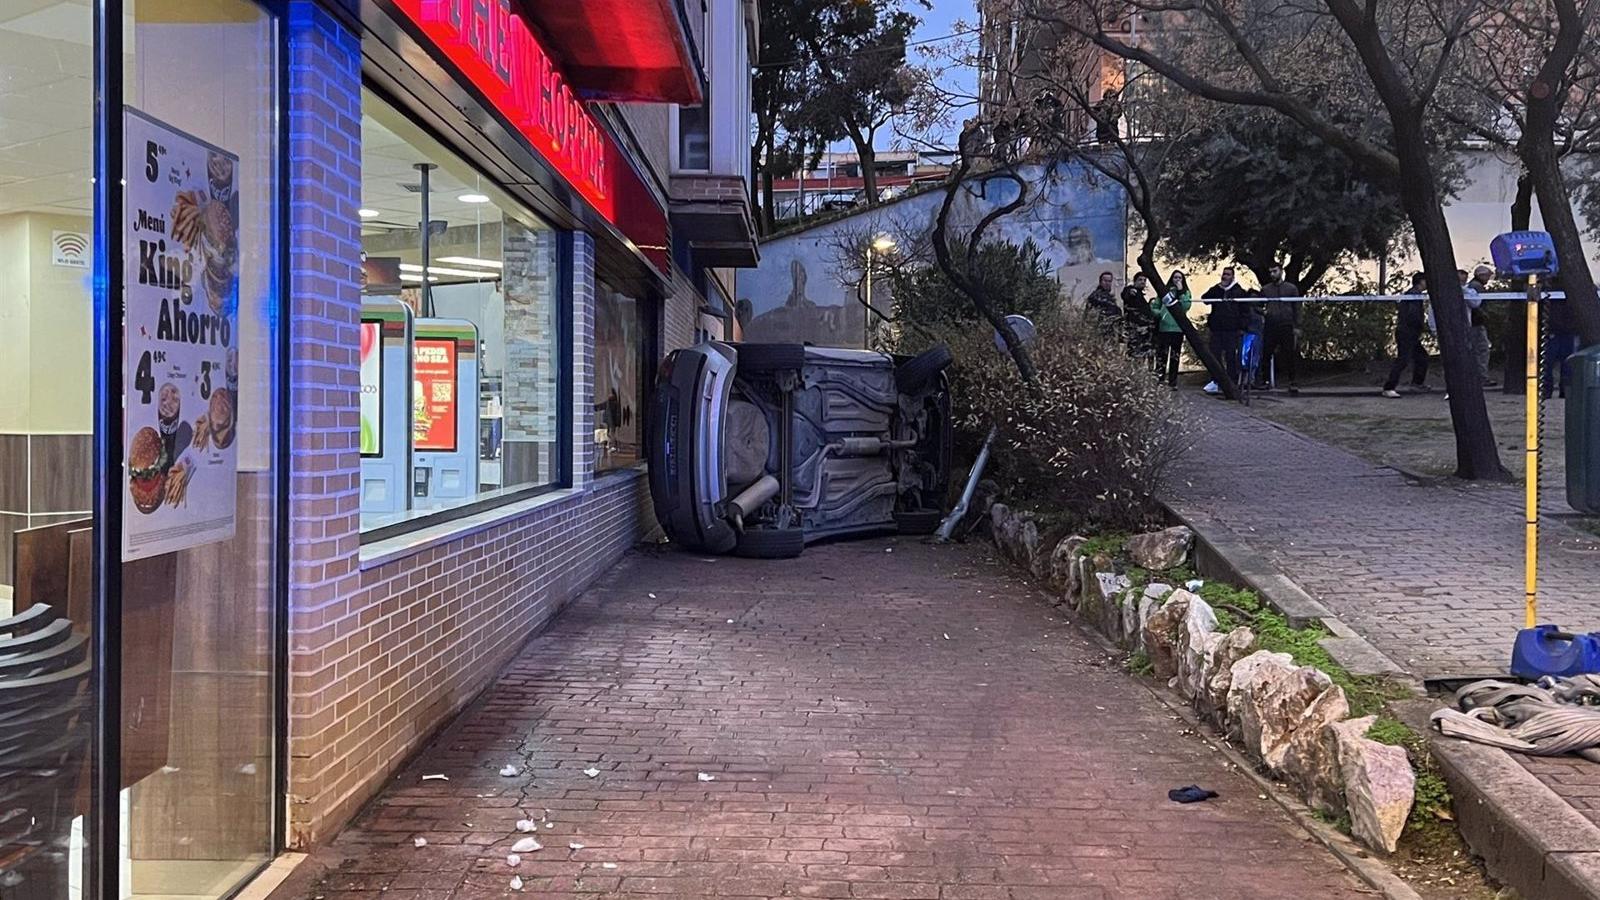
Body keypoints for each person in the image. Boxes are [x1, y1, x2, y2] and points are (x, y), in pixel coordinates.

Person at [1201, 266, 1250, 394]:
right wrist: (1218, 289)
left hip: (1232, 330)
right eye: (1224, 274)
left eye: (1228, 274)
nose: (1225, 276)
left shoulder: (1239, 292)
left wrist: (1242, 327)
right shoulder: (1217, 289)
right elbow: (1205, 298)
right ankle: (1216, 380)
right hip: (1217, 329)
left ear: (1233, 276)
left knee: (1230, 356)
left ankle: (1231, 382)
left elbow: (1245, 312)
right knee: (1214, 355)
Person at [1382, 273, 1431, 398]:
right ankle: (1389, 387)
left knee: (1422, 357)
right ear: (1421, 281)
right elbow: (1412, 315)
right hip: (1407, 332)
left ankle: (1417, 383)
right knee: (1403, 360)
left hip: (1411, 332)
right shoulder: (1413, 295)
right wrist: (1420, 325)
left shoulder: (1415, 294)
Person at [1258, 264, 1301, 394]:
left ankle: (1292, 382)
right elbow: (1257, 304)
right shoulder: (1266, 289)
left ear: (1281, 272)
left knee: (1289, 354)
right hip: (1271, 325)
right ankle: (1265, 381)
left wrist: (1297, 326)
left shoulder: (1291, 288)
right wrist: (1264, 312)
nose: (1272, 274)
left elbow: (1297, 308)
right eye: (1270, 272)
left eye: (1275, 271)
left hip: (1286, 325)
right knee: (1266, 353)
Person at [1150, 271, 1192, 387]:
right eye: (1175, 277)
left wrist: (1181, 291)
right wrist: (1160, 314)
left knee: (1175, 357)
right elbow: (1155, 306)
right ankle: (1159, 379)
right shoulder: (1164, 292)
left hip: (1177, 329)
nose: (1177, 279)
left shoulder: (1186, 292)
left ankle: (1173, 382)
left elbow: (1186, 306)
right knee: (1161, 356)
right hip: (1164, 328)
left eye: (1179, 277)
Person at [1545, 274, 1579, 399]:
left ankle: (1548, 390)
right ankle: (1564, 390)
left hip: (1556, 330)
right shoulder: (1573, 289)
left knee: (1549, 363)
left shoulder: (1549, 289)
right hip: (1564, 330)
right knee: (1565, 363)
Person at [1464, 265, 1495, 386]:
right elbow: (1476, 305)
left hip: (1474, 322)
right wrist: (1484, 315)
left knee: (1477, 349)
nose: (1488, 279)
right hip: (1476, 324)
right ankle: (1482, 377)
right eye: (1487, 276)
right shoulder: (1477, 287)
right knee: (1482, 349)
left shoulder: (1473, 286)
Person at [1121, 271, 1156, 362]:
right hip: (1135, 332)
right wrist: (1130, 291)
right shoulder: (1132, 291)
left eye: (1144, 280)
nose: (1143, 282)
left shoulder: (1141, 296)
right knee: (1134, 355)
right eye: (1140, 280)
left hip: (1144, 333)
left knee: (1142, 356)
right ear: (1135, 281)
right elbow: (1126, 294)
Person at [1083, 271, 1122, 336]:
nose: (1107, 283)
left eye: (1109, 281)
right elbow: (1089, 315)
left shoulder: (1109, 297)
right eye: (1105, 281)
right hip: (1100, 332)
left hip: (1110, 331)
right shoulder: (1095, 296)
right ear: (1100, 282)